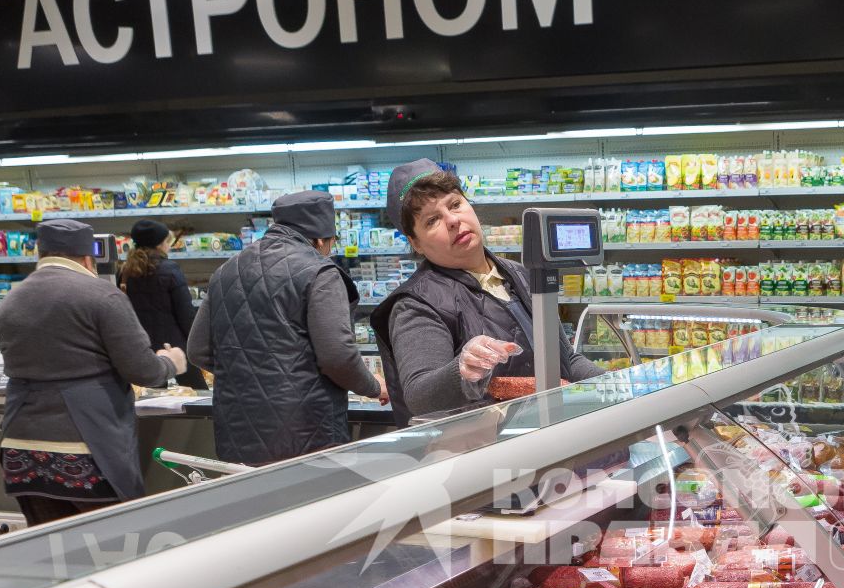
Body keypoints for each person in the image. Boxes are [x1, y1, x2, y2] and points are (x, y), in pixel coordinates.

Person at [375, 159, 602, 425]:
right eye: (432, 220)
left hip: (547, 436)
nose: (452, 220)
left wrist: (620, 384)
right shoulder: (416, 304)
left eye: (455, 204)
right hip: (485, 452)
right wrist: (462, 369)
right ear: (416, 243)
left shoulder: (522, 274)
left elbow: (566, 360)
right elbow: (419, 396)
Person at [0, 219, 187, 525]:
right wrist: (172, 362)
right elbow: (143, 370)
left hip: (20, 448)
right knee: (114, 540)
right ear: (87, 259)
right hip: (84, 446)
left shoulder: (11, 300)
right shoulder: (101, 296)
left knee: (53, 548)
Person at [190, 191, 386, 465]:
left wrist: (251, 372)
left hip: (237, 430)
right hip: (307, 432)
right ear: (320, 239)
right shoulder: (320, 272)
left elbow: (198, 350)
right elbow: (337, 356)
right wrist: (374, 386)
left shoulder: (226, 271)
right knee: (315, 505)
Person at [119, 218, 204, 390]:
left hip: (143, 346)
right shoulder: (170, 269)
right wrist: (197, 344)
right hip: (174, 346)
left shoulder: (125, 271)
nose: (169, 246)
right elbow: (185, 313)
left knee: (152, 399)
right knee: (196, 393)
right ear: (159, 245)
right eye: (167, 241)